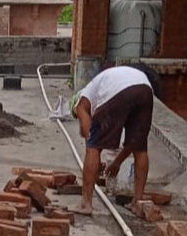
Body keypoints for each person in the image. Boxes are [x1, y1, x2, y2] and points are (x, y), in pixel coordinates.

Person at [68, 64, 159, 217]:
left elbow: (88, 134)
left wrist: (93, 159)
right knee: (140, 148)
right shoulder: (97, 89)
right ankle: (137, 203)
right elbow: (133, 142)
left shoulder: (81, 104)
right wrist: (116, 162)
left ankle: (86, 204)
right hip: (144, 88)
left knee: (93, 146)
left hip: (118, 90)